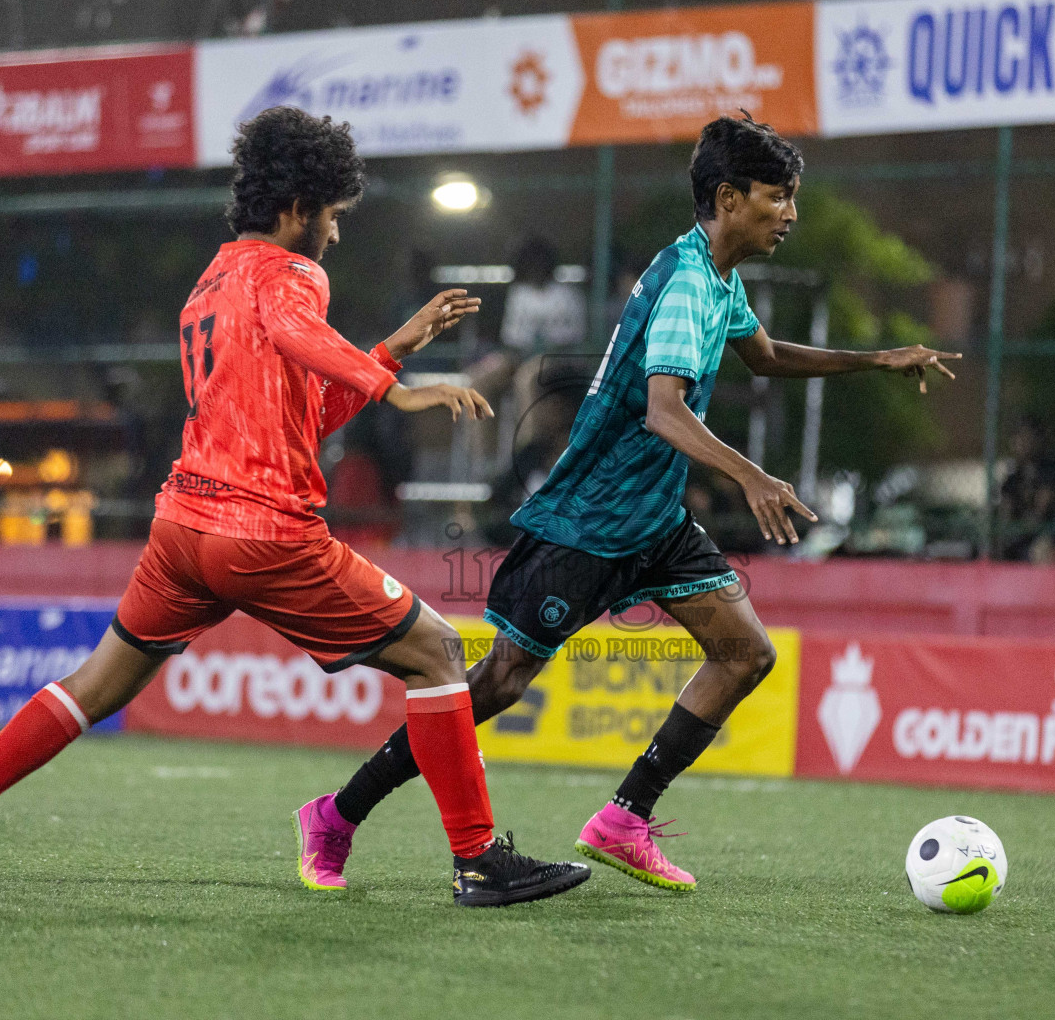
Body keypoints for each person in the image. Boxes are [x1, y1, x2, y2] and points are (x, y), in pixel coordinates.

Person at [0, 107, 590, 908]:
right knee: (440, 655)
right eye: (333, 217)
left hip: (182, 533)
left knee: (93, 684)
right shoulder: (292, 275)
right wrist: (395, 388)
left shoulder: (211, 282)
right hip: (264, 534)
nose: (335, 236)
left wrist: (388, 351)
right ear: (299, 207)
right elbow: (292, 323)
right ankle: (477, 860)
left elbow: (298, 417)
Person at [321, 113, 960, 892]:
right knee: (496, 685)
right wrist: (750, 476)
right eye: (778, 197)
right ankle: (340, 813)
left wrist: (873, 360)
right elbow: (664, 410)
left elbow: (761, 356)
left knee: (746, 653)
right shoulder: (689, 282)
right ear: (729, 198)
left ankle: (624, 818)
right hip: (590, 519)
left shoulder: (713, 275)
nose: (790, 213)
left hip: (652, 519)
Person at [997, 416, 1055, 560]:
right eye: (1018, 437)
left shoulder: (1052, 469)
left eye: (1027, 436)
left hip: (1050, 533)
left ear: (1038, 439)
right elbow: (1006, 515)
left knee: (1040, 551)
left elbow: (1041, 511)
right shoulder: (1013, 478)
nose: (1022, 442)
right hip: (1020, 536)